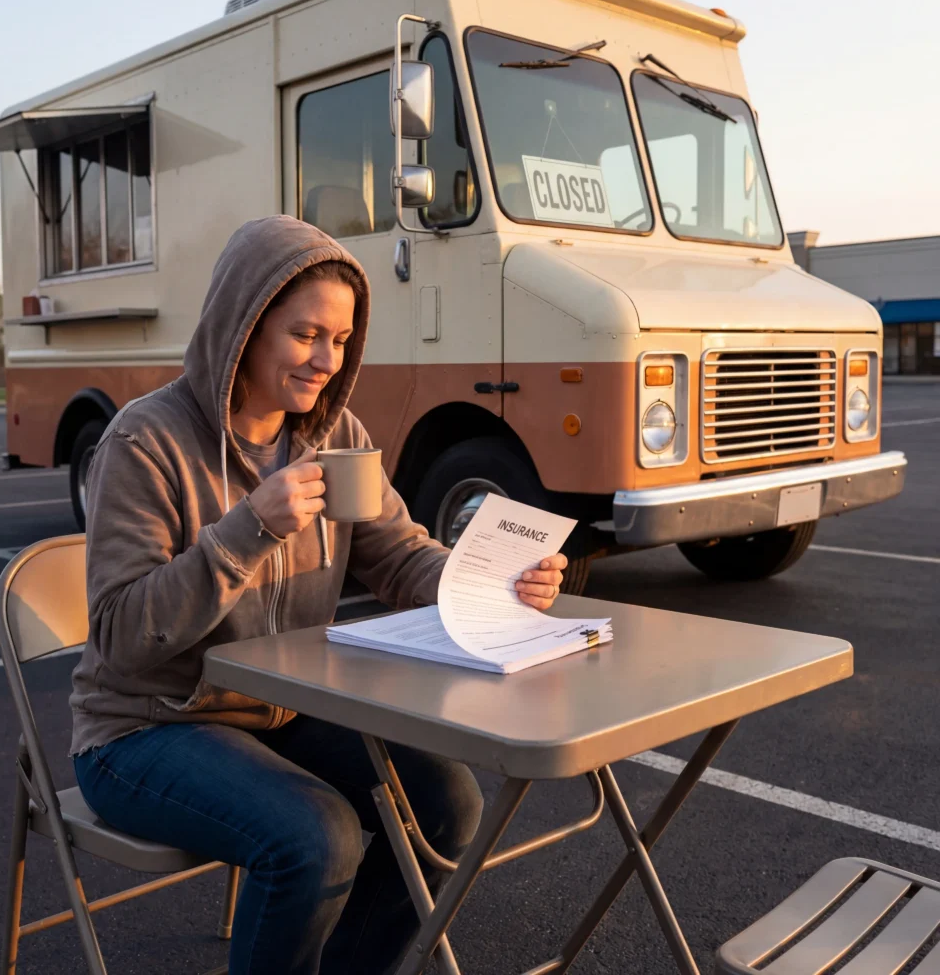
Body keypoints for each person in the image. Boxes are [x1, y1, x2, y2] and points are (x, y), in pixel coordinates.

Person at [69, 216, 569, 974]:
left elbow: (401, 557)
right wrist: (247, 530)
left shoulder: (334, 438)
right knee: (315, 835)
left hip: (279, 711)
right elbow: (122, 634)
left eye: (340, 340)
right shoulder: (147, 444)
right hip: (144, 728)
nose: (327, 363)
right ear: (244, 326)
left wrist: (491, 581)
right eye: (307, 336)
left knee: (450, 806)